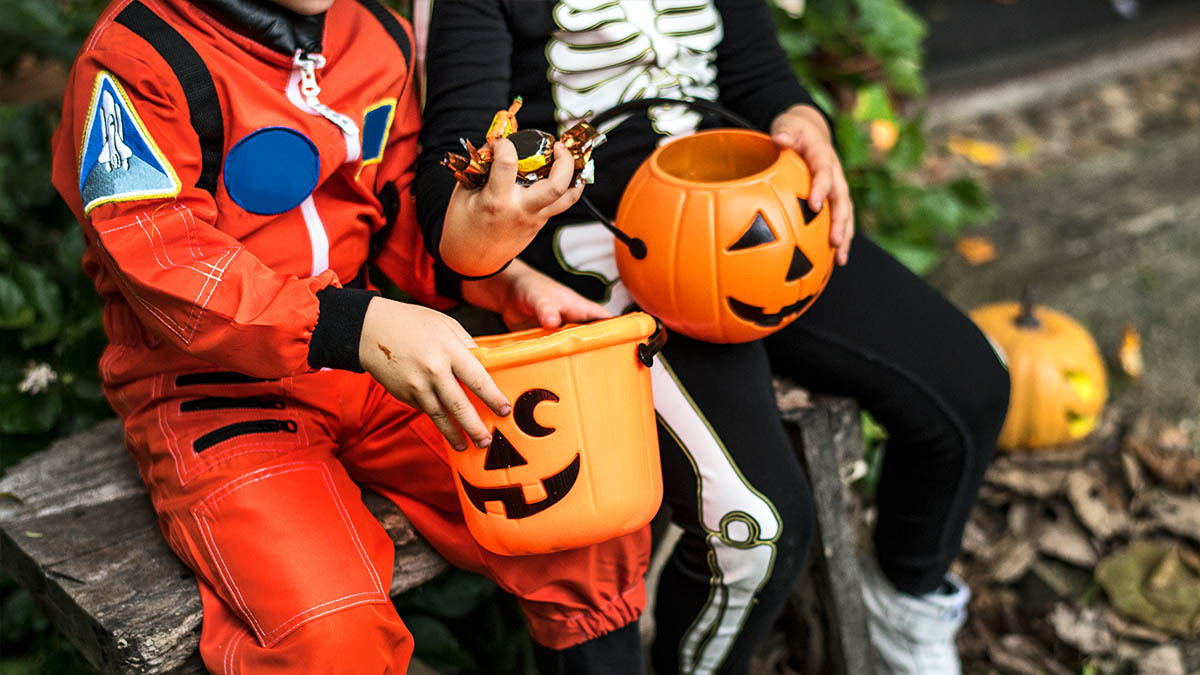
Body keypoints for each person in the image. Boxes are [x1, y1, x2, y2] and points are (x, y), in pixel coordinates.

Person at [51, 0, 654, 672]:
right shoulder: (138, 59)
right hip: (213, 390)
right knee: (330, 642)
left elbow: (395, 210)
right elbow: (162, 258)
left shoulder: (374, 33)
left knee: (579, 520)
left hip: (374, 366)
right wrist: (350, 324)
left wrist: (499, 280)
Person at [413, 1, 1011, 674]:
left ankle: (905, 609)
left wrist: (802, 123)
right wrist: (498, 259)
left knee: (970, 385)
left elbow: (761, 80)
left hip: (748, 214)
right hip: (603, 253)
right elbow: (448, 179)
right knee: (754, 528)